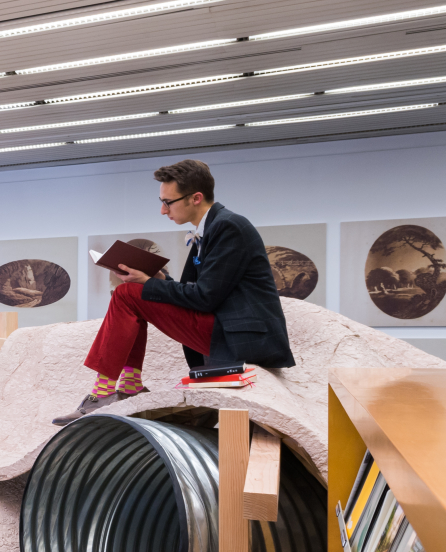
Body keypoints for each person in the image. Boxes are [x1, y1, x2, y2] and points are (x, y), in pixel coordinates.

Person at [52, 159, 295, 425]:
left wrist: (148, 282)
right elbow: (198, 290)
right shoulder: (209, 229)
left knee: (127, 294)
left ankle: (103, 393)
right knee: (131, 293)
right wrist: (159, 277)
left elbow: (205, 297)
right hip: (225, 329)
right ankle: (130, 386)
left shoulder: (229, 226)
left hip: (242, 337)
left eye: (168, 202)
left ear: (196, 198)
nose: (162, 210)